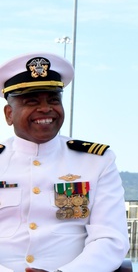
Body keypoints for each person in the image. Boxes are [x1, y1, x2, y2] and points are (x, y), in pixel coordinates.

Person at [0, 53, 128, 272]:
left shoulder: (97, 161)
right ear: (9, 114)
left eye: (53, 100)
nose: (45, 108)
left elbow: (110, 238)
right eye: (31, 101)